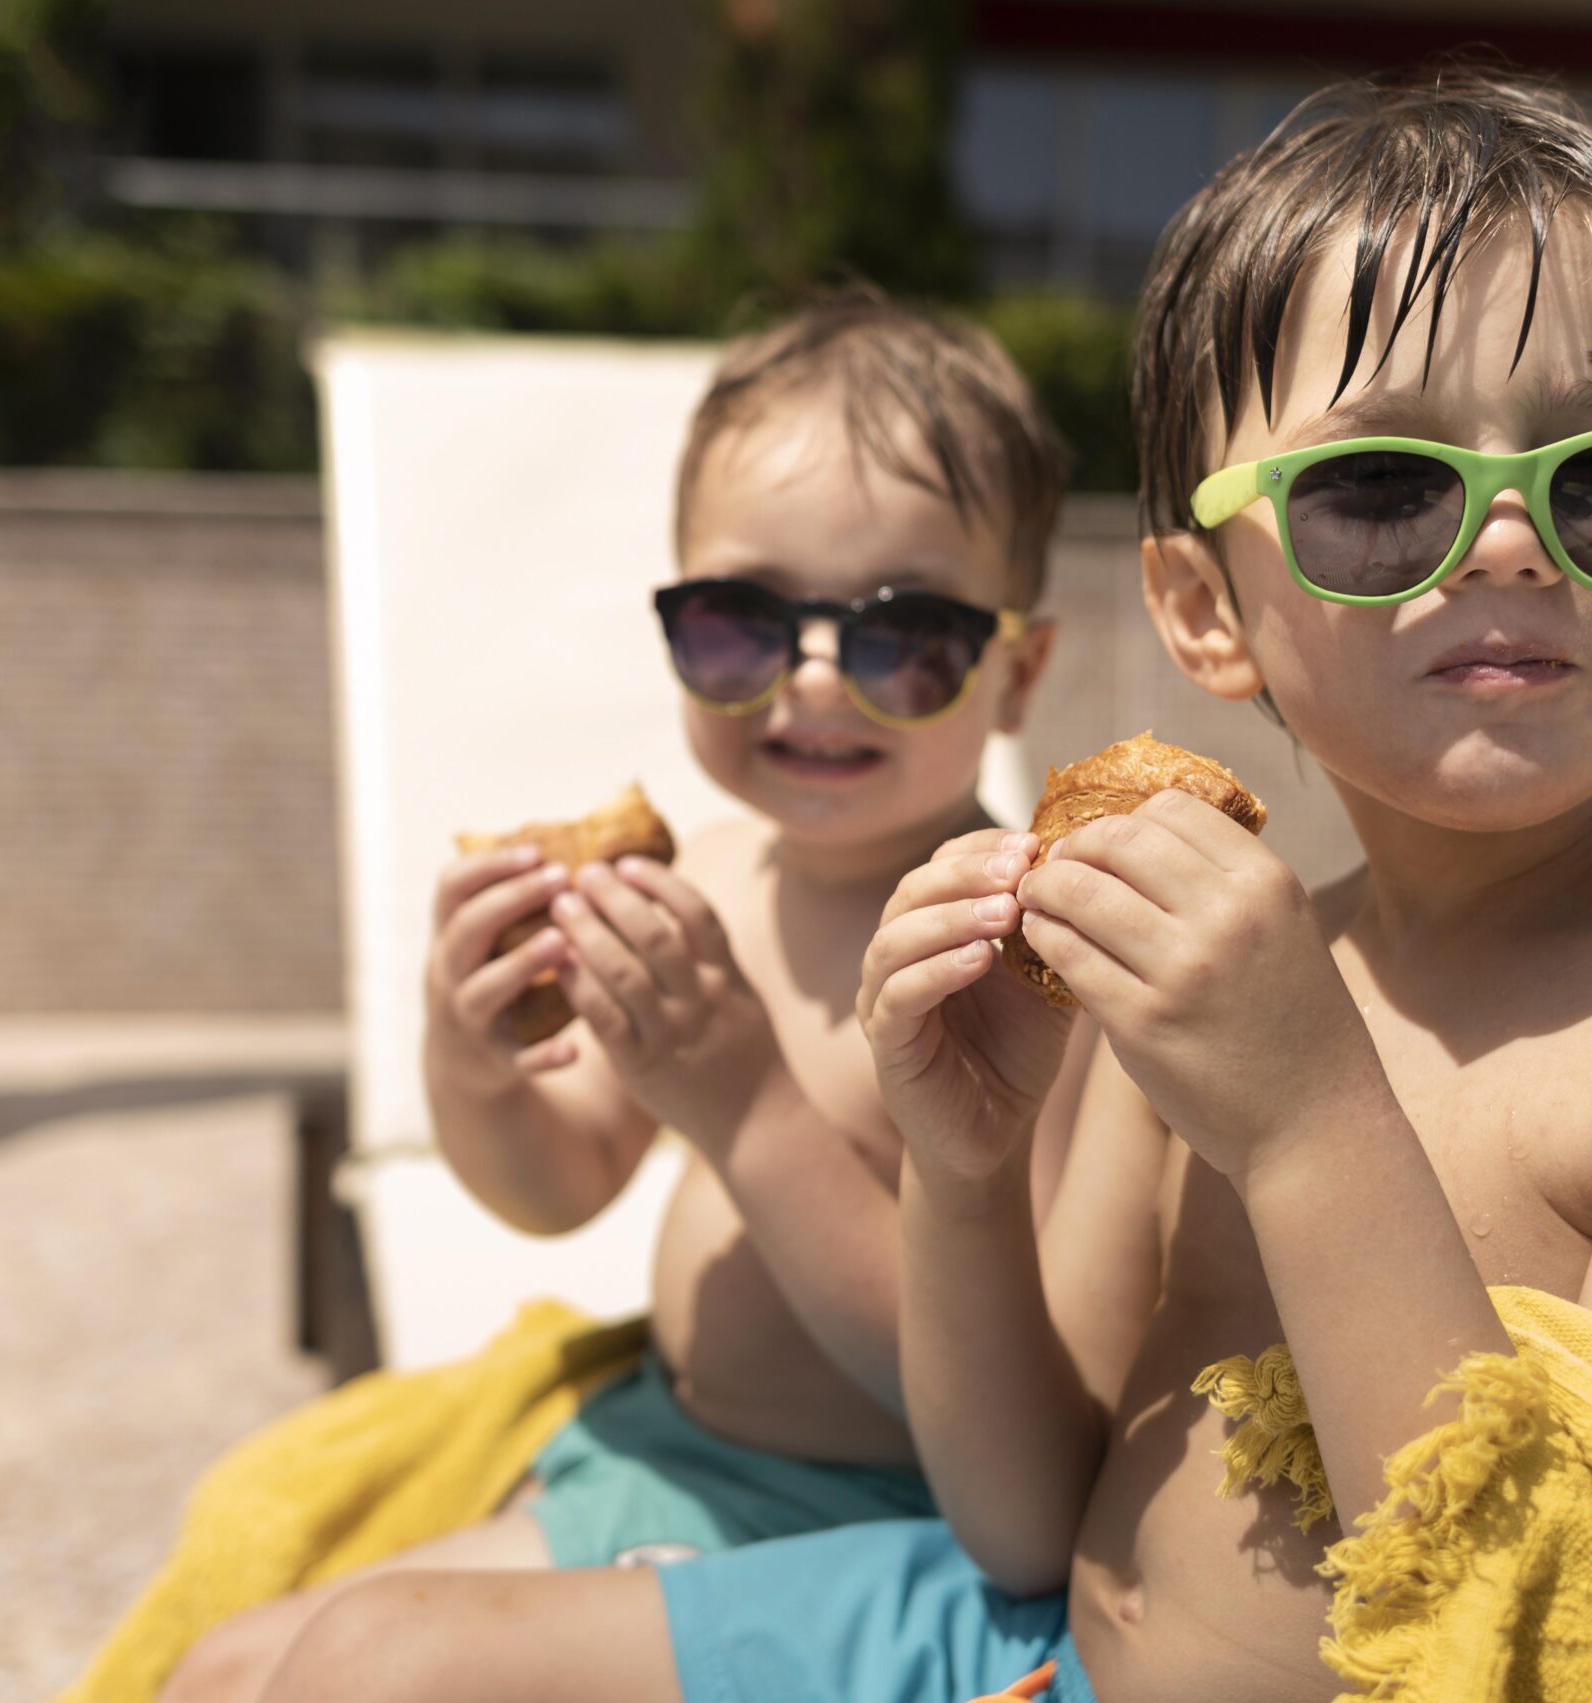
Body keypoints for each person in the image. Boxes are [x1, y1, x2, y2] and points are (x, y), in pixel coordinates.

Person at [256, 66, 1592, 1703]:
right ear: (1202, 611)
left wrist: (1303, 1124)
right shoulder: (1228, 973)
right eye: (1377, 489)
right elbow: (1014, 1512)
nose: (1510, 540)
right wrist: (966, 1172)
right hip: (1020, 1646)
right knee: (356, 1664)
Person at [161, 287, 1073, 1702]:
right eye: (739, 623)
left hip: (869, 1522)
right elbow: (559, 1177)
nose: (815, 675)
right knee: (219, 1672)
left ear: (1016, 673)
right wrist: (470, 1056)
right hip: (660, 1455)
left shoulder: (1006, 956)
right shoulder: (701, 876)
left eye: (905, 633)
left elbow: (994, 1398)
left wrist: (748, 1105)